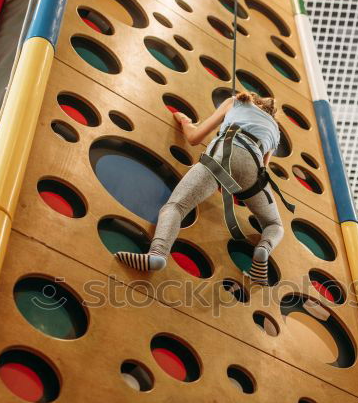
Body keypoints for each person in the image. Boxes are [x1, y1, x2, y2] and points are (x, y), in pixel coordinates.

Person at [114, 91, 285, 284]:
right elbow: (263, 168)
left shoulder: (236, 102)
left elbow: (194, 138)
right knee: (274, 224)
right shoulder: (275, 131)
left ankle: (158, 254)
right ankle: (263, 249)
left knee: (176, 207)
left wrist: (185, 121)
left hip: (222, 156)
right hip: (252, 169)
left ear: (254, 100)